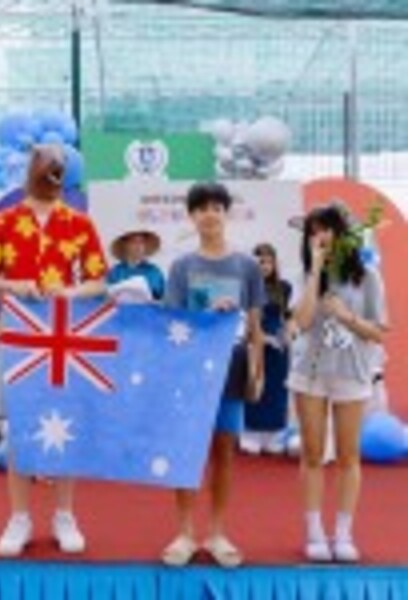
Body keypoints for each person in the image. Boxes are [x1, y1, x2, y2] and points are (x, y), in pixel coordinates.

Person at [0, 144, 108, 557]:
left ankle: (64, 514)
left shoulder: (79, 222)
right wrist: (15, 286)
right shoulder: (5, 221)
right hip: (17, 335)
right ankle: (19, 516)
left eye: (59, 168)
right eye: (46, 167)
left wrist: (69, 292)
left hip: (63, 337)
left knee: (63, 423)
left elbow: (98, 279)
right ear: (31, 170)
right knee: (20, 425)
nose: (53, 174)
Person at [162, 182, 264, 567]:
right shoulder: (182, 267)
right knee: (188, 451)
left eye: (216, 208)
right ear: (192, 216)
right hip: (190, 373)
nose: (209, 215)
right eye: (202, 208)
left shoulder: (247, 266)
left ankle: (217, 532)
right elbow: (172, 326)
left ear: (226, 213)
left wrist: (257, 371)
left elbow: (255, 326)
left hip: (232, 370)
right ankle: (185, 533)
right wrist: (206, 315)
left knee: (224, 452)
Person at [288, 204, 388, 563]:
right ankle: (314, 531)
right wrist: (316, 272)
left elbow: (379, 331)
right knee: (313, 454)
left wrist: (348, 317)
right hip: (309, 374)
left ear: (343, 234)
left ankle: (343, 533)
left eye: (327, 229)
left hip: (352, 372)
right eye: (314, 231)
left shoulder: (368, 277)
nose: (321, 236)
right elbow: (300, 321)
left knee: (348, 455)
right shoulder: (303, 275)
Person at [242, 243, 293, 454]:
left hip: (277, 346)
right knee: (254, 384)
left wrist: (285, 336)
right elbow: (244, 316)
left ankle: (274, 433)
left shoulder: (284, 287)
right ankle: (250, 432)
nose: (264, 266)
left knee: (276, 388)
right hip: (254, 343)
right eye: (260, 261)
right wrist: (256, 336)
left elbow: (288, 317)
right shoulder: (246, 287)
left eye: (269, 262)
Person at [107, 229, 165, 301]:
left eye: (142, 242)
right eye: (134, 242)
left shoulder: (153, 271)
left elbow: (160, 295)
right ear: (125, 245)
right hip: (121, 307)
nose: (138, 246)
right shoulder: (116, 271)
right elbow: (108, 294)